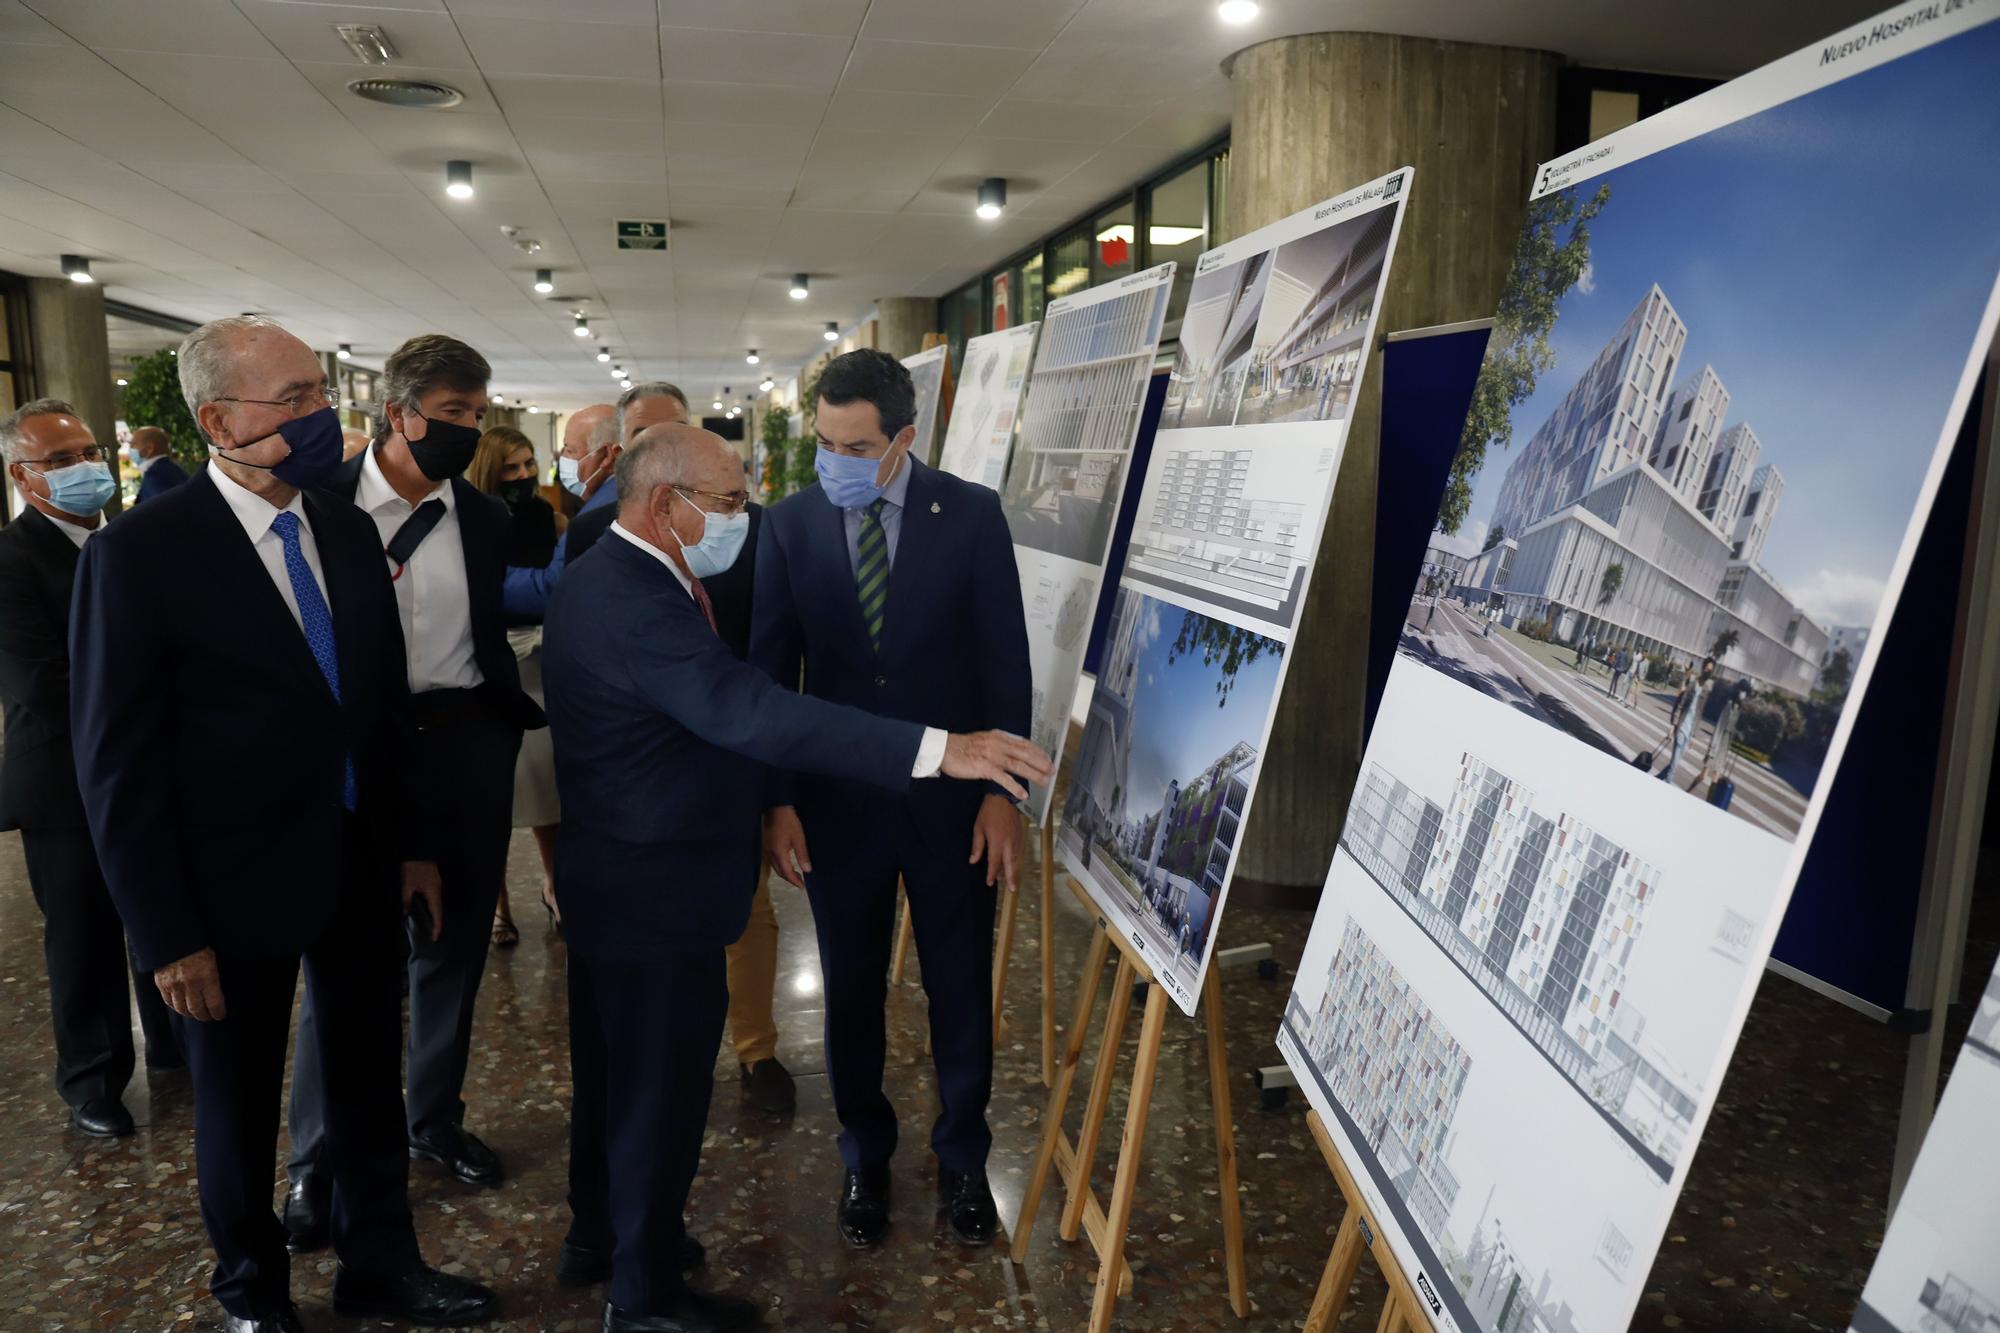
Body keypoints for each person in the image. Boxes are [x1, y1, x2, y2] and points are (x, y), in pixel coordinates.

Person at [545, 423, 1050, 1333]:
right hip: (653, 892)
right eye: (731, 502)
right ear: (668, 507)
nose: (747, 517)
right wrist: (946, 749)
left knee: (628, 1084)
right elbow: (752, 707)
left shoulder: (622, 574)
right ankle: (643, 1294)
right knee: (656, 1095)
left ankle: (621, 1240)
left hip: (629, 881)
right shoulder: (632, 598)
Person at [70, 315, 496, 1331]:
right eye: (295, 399)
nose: (320, 418)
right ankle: (252, 1289)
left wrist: (411, 846)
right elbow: (114, 764)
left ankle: (381, 1264)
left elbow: (379, 707)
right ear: (217, 419)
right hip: (224, 888)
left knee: (364, 1082)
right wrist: (166, 933)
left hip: (353, 861)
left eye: (320, 394)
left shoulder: (342, 528)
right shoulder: (142, 554)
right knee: (240, 1101)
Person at [753, 349, 1033, 1251]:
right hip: (839, 808)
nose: (835, 459)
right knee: (852, 989)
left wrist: (1003, 798)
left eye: (856, 443)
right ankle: (863, 1153)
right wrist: (778, 799)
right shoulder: (789, 525)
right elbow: (771, 677)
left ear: (904, 438)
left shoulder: (973, 516)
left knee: (958, 984)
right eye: (824, 441)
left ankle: (962, 1155)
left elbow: (1006, 666)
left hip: (954, 812)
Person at [283, 335, 543, 1252]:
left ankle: (431, 1117)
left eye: (478, 414)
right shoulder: (319, 508)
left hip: (464, 739)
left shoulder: (484, 517)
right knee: (346, 956)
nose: (468, 430)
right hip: (358, 747)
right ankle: (314, 1158)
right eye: (454, 414)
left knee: (454, 947)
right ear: (399, 413)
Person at [1, 400, 179, 1140]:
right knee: (82, 934)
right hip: (65, 780)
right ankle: (92, 1078)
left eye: (89, 452)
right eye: (62, 460)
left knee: (161, 909)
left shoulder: (137, 538)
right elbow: (40, 683)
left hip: (158, 767)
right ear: (24, 475)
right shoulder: (11, 559)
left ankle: (174, 1041)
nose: (85, 469)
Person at [471, 425, 559, 946]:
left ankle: (554, 887)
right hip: (490, 660)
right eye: (511, 467)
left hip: (542, 659)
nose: (524, 475)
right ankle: (497, 906)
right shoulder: (473, 520)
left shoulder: (548, 513)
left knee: (546, 785)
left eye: (529, 464)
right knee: (494, 795)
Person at [566, 382, 692, 566]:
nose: (663, 446)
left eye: (677, 431)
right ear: (620, 454)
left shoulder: (736, 527)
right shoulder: (587, 532)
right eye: (644, 435)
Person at [1657, 656, 1716, 784]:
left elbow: (1699, 714)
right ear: (1703, 668)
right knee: (1676, 758)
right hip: (1681, 725)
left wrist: (1694, 736)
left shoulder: (1706, 690)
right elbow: (1680, 704)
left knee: (1676, 760)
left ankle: (1660, 778)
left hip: (1691, 729)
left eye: (1710, 670)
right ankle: (1668, 782)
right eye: (1706, 668)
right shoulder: (1692, 683)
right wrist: (1673, 725)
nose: (1708, 671)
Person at [127, 424, 188, 502]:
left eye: (134, 444)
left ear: (150, 449)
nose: (130, 449)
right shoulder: (172, 469)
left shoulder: (155, 475)